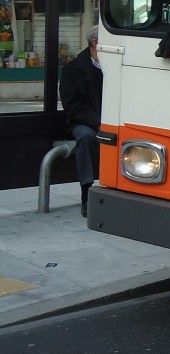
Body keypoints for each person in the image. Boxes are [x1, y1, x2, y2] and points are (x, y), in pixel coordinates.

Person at [60, 26, 102, 217]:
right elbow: (73, 107)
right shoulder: (72, 69)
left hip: (113, 121)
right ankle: (86, 192)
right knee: (85, 137)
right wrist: (98, 123)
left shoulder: (117, 67)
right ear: (95, 43)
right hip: (85, 122)